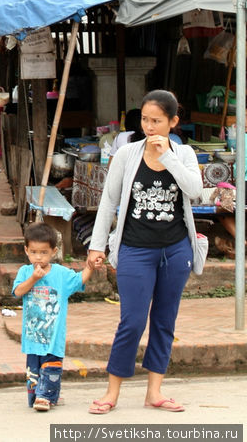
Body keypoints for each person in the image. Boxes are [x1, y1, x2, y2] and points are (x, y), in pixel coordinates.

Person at [87, 89, 204, 415]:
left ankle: (155, 392)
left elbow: (194, 191)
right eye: (145, 120)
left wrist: (167, 156)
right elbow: (109, 201)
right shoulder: (127, 154)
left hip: (176, 251)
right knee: (132, 321)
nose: (150, 127)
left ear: (173, 122)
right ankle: (112, 392)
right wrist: (97, 244)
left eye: (157, 121)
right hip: (135, 251)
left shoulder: (185, 155)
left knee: (164, 321)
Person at [13, 222, 95, 412]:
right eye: (34, 252)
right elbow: (18, 292)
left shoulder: (61, 275)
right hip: (33, 338)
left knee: (51, 368)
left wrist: (90, 266)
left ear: (53, 251)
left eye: (43, 252)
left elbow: (79, 279)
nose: (38, 257)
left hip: (53, 336)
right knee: (33, 382)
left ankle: (47, 397)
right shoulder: (25, 272)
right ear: (26, 250)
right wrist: (34, 278)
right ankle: (46, 395)